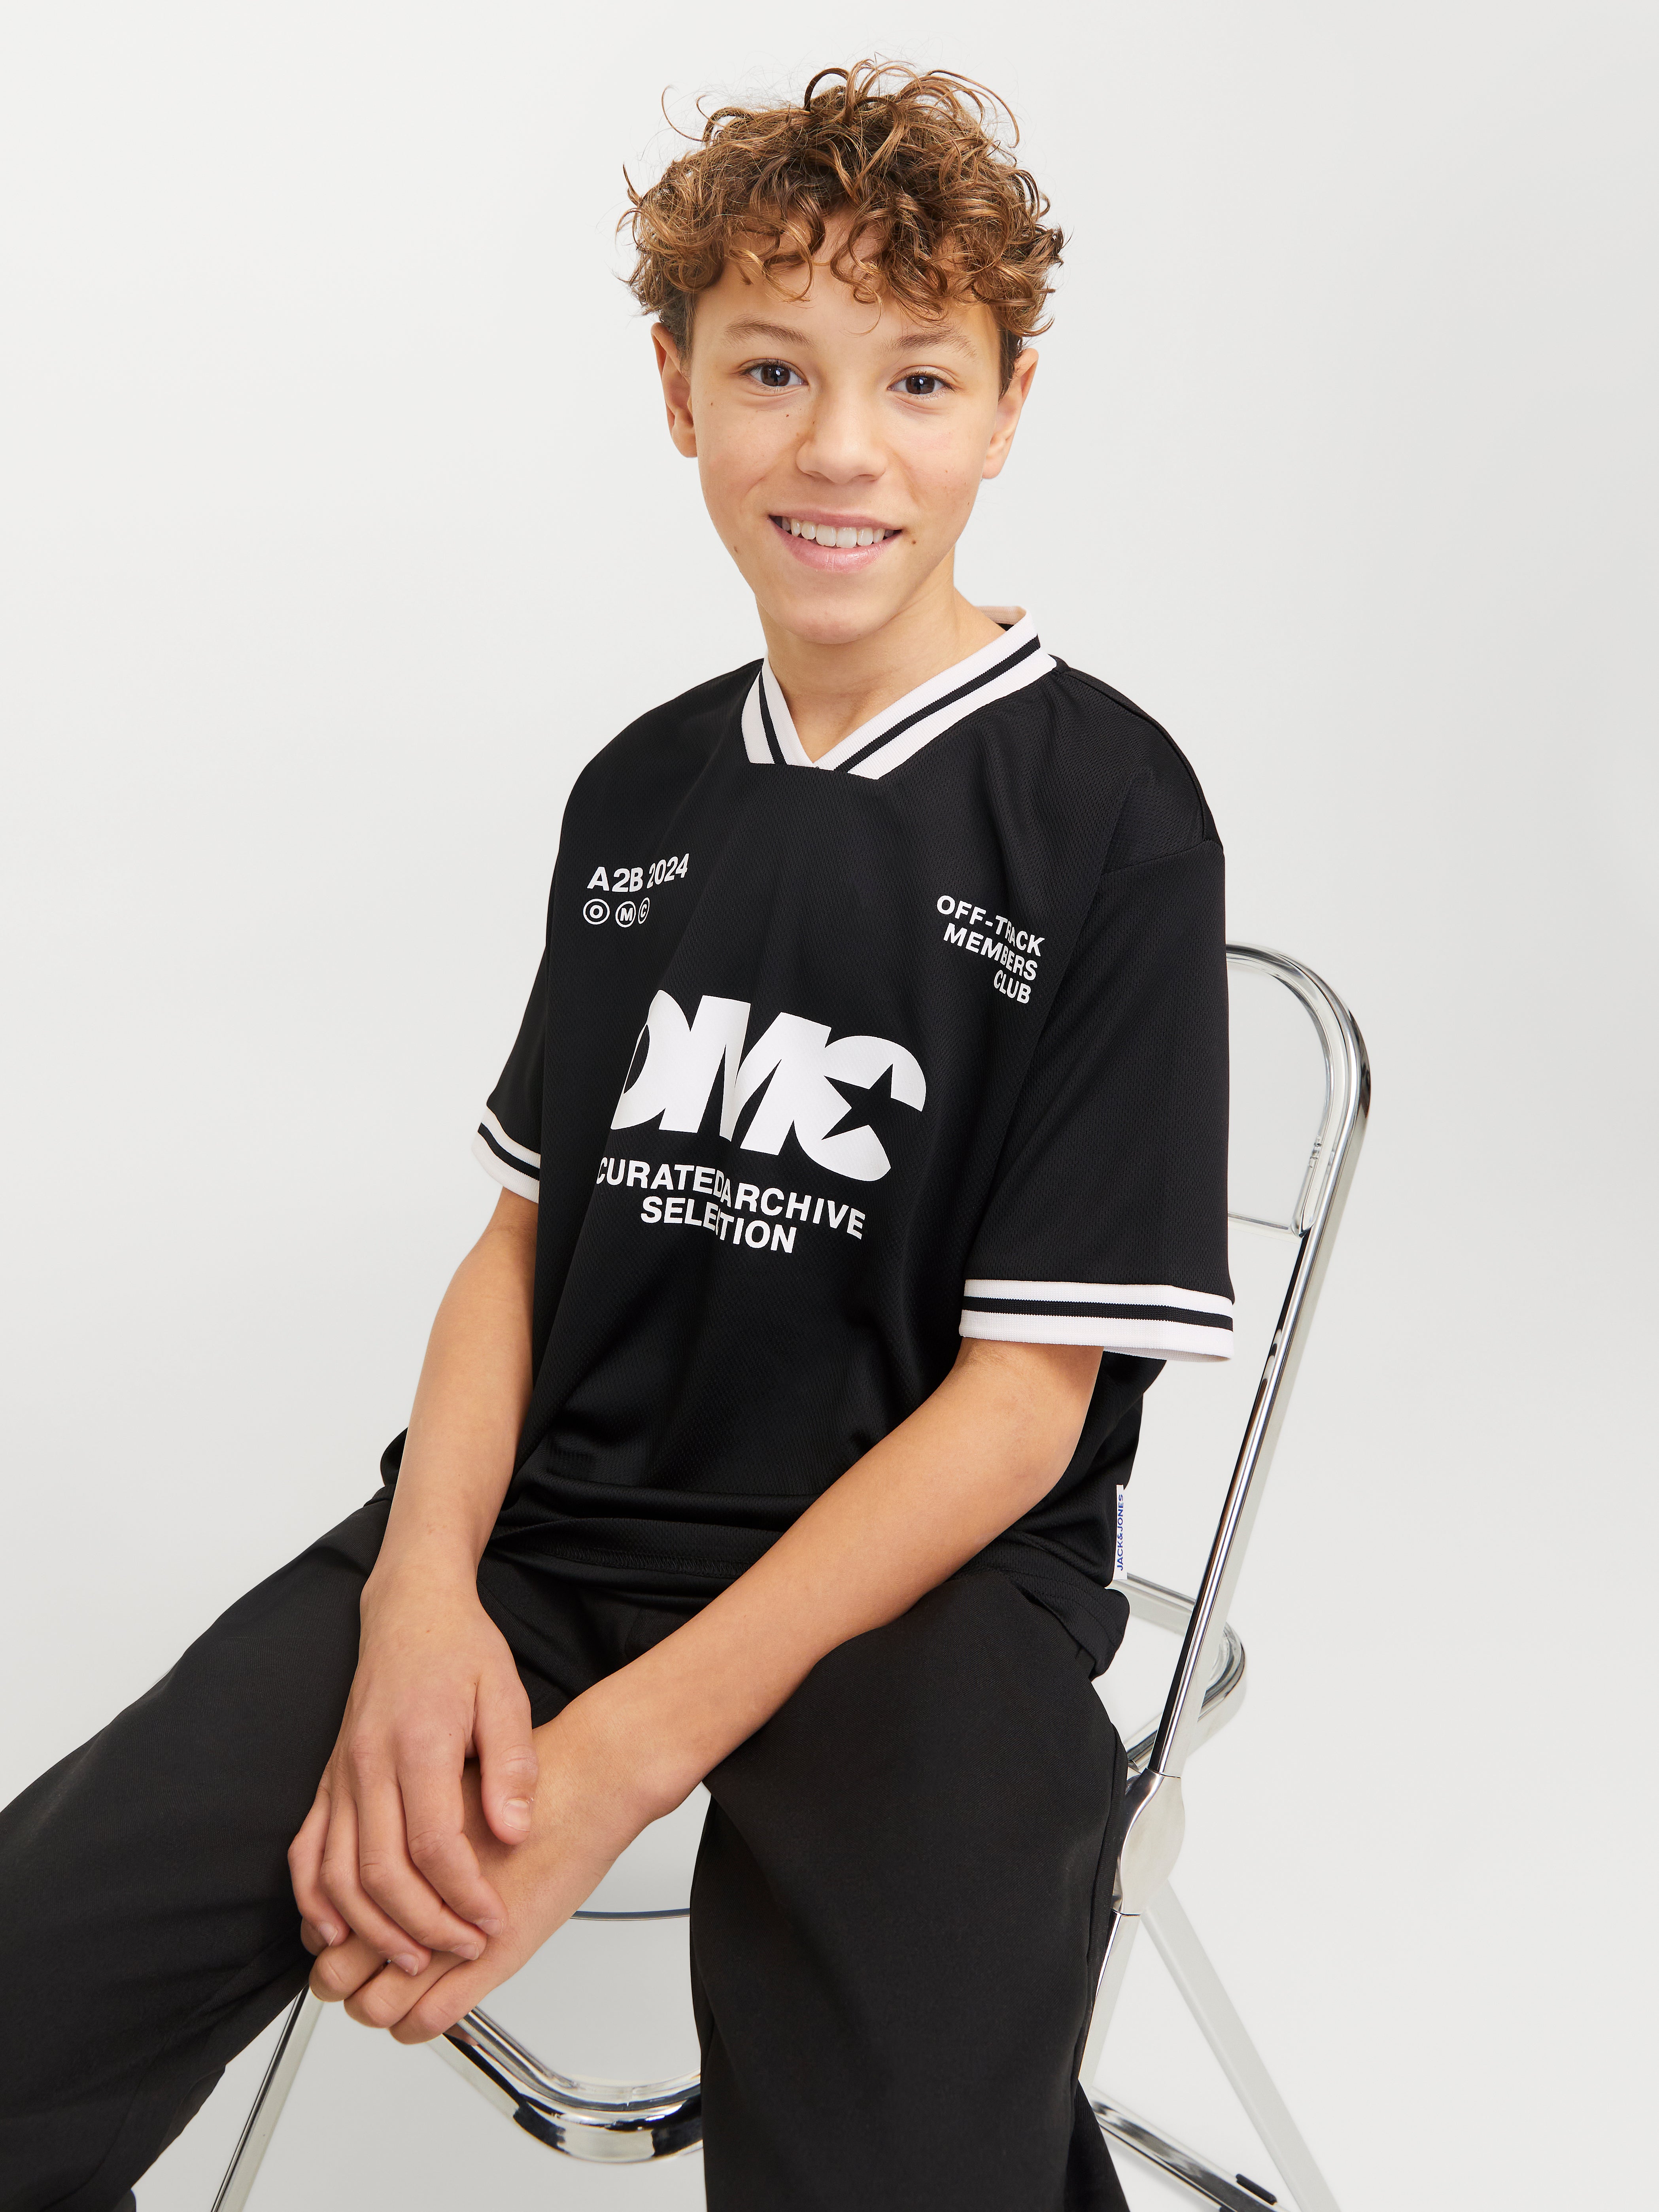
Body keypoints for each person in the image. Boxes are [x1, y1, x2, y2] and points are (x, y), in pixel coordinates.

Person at [0, 61, 1232, 2212]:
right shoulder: (643, 791)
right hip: (557, 1534)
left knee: (890, 2118)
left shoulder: (1110, 815)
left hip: (930, 1591)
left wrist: (607, 1769)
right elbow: (521, 1245)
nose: (837, 446)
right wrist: (418, 1605)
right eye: (770, 369)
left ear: (1005, 410)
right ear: (679, 392)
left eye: (915, 377)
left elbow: (1026, 1404)